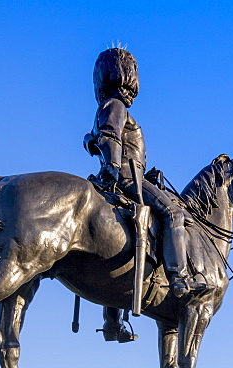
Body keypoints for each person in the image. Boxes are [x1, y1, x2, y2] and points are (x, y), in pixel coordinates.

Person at [84, 48, 204, 341]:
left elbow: (100, 139)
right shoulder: (115, 106)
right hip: (126, 179)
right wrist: (113, 166)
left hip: (129, 177)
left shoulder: (107, 106)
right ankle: (178, 278)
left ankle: (112, 323)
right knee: (174, 213)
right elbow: (109, 137)